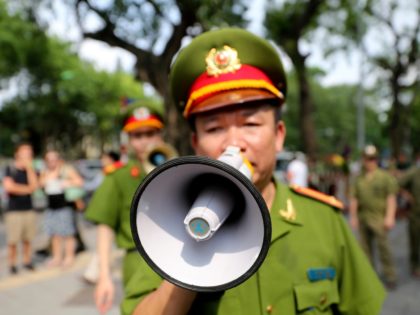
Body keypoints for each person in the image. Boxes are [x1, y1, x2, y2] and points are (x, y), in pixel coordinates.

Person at [122, 28, 385, 315]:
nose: (234, 143)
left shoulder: (324, 220)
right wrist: (187, 266)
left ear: (279, 135)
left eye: (251, 125)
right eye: (214, 128)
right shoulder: (168, 226)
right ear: (196, 143)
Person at [85, 106, 165, 314]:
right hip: (138, 261)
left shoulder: (181, 166)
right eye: (137, 136)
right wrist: (104, 276)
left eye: (150, 133)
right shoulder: (118, 176)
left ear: (160, 134)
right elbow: (105, 227)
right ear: (129, 140)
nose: (145, 141)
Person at [349, 144, 399, 289]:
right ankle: (369, 276)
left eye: (372, 159)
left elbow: (391, 198)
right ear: (363, 160)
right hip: (364, 217)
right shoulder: (358, 179)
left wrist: (390, 216)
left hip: (379, 218)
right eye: (367, 159)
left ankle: (390, 276)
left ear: (376, 159)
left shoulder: (384, 177)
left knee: (384, 248)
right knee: (365, 249)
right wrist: (353, 217)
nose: (370, 162)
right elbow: (354, 199)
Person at [83, 150, 124, 284]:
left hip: (109, 212)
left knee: (104, 242)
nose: (102, 160)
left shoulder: (110, 171)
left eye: (104, 158)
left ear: (110, 159)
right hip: (114, 212)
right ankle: (96, 271)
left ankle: (95, 272)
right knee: (106, 243)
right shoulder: (120, 169)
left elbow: (93, 185)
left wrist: (79, 184)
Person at [39, 150, 84, 268]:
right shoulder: (45, 172)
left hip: (65, 206)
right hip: (51, 207)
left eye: (54, 159)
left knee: (68, 234)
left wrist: (67, 182)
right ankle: (57, 257)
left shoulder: (66, 170)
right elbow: (40, 184)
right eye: (49, 160)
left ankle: (69, 257)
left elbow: (79, 181)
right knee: (54, 234)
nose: (52, 162)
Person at [3, 143, 39, 274]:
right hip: (14, 211)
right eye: (25, 152)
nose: (27, 155)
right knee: (13, 240)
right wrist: (27, 189)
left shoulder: (31, 170)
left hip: (28, 209)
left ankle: (26, 261)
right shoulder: (10, 168)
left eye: (29, 153)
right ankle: (12, 264)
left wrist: (29, 168)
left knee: (28, 239)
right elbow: (9, 187)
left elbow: (35, 186)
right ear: (17, 154)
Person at [398, 152, 420, 278]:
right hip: (416, 214)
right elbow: (398, 184)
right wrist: (408, 197)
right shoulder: (414, 172)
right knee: (415, 241)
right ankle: (415, 265)